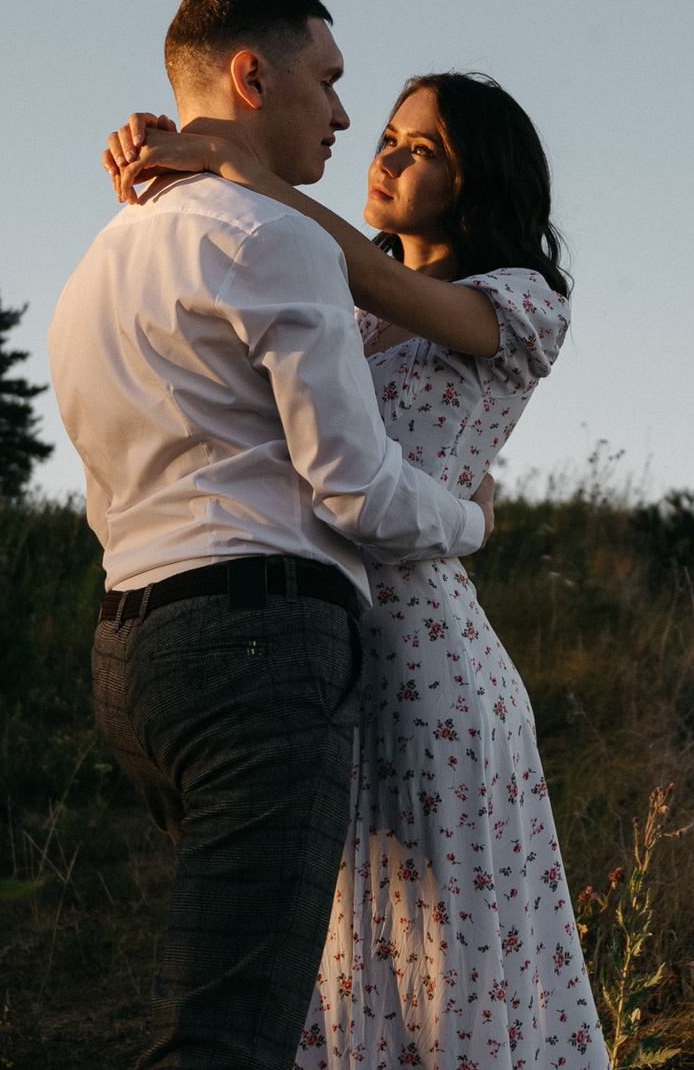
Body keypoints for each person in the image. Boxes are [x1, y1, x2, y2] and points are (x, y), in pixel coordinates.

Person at [104, 70, 607, 1070]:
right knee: (338, 939)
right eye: (386, 133)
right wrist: (172, 159)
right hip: (314, 629)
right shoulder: (335, 284)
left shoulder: (520, 302)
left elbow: (385, 286)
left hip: (431, 669)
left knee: (444, 950)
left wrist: (242, 165)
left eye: (423, 149)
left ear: (478, 180)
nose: (385, 155)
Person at [50, 0, 495, 1070]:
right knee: (231, 1035)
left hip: (129, 654)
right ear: (254, 75)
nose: (344, 116)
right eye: (332, 81)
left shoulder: (97, 262)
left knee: (231, 992)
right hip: (260, 645)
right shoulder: (272, 237)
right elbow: (355, 489)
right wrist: (469, 516)